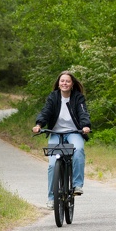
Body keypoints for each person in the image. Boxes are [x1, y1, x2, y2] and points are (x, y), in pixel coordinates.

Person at [32, 71, 91, 209]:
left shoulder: (78, 97)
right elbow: (46, 111)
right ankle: (51, 199)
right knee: (53, 165)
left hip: (74, 132)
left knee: (79, 150)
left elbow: (83, 113)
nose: (64, 83)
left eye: (67, 81)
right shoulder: (53, 97)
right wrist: (39, 125)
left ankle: (77, 184)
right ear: (58, 84)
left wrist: (86, 126)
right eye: (62, 81)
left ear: (72, 84)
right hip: (55, 133)